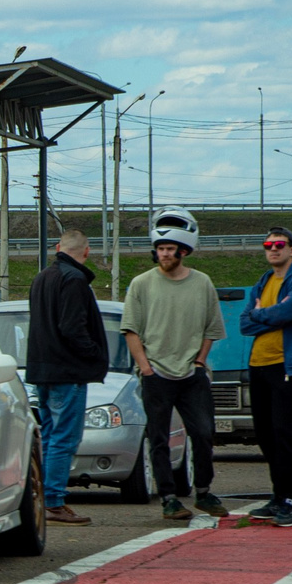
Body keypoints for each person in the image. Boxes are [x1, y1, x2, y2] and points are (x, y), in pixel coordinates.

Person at [120, 208, 227, 521]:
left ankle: (204, 492)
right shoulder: (141, 284)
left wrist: (199, 361)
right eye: (160, 249)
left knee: (204, 433)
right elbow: (131, 330)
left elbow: (212, 328)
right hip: (156, 373)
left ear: (183, 250)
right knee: (159, 438)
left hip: (192, 373)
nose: (165, 253)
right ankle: (168, 498)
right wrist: (146, 368)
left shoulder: (202, 283)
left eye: (170, 249)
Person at [238, 227, 292, 525]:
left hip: (289, 365)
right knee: (265, 434)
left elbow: (285, 315)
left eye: (279, 244)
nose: (273, 249)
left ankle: (291, 501)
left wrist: (262, 314)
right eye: (268, 245)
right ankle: (277, 496)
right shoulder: (263, 281)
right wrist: (266, 314)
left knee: (286, 434)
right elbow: (244, 324)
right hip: (259, 365)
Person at [26, 226, 108, 525]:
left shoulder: (42, 278)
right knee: (64, 439)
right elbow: (72, 328)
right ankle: (53, 501)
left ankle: (42, 498)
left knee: (49, 437)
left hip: (43, 371)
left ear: (58, 248)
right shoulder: (74, 281)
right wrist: (94, 353)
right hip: (67, 371)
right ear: (86, 252)